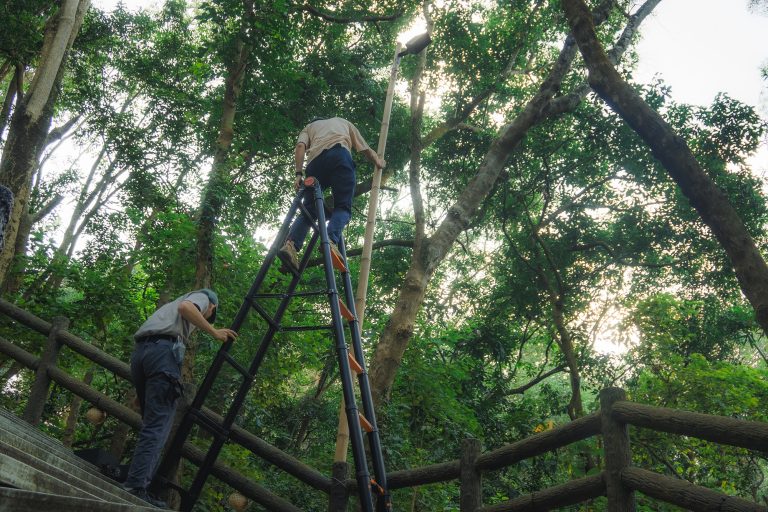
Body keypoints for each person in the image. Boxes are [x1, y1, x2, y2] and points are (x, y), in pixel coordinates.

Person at [123, 289, 237, 508]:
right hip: (163, 354)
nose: (206, 316)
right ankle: (135, 486)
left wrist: (142, 392)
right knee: (158, 427)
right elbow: (186, 308)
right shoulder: (203, 298)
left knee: (151, 424)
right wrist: (214, 331)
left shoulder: (164, 312)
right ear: (211, 307)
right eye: (208, 314)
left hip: (141, 354)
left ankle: (135, 479)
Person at [278, 117, 385, 274]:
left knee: (309, 210)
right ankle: (330, 239)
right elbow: (364, 148)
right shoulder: (343, 122)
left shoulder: (309, 127)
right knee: (342, 206)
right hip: (339, 156)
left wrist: (298, 174)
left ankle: (291, 245)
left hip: (315, 165)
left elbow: (300, 146)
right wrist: (378, 160)